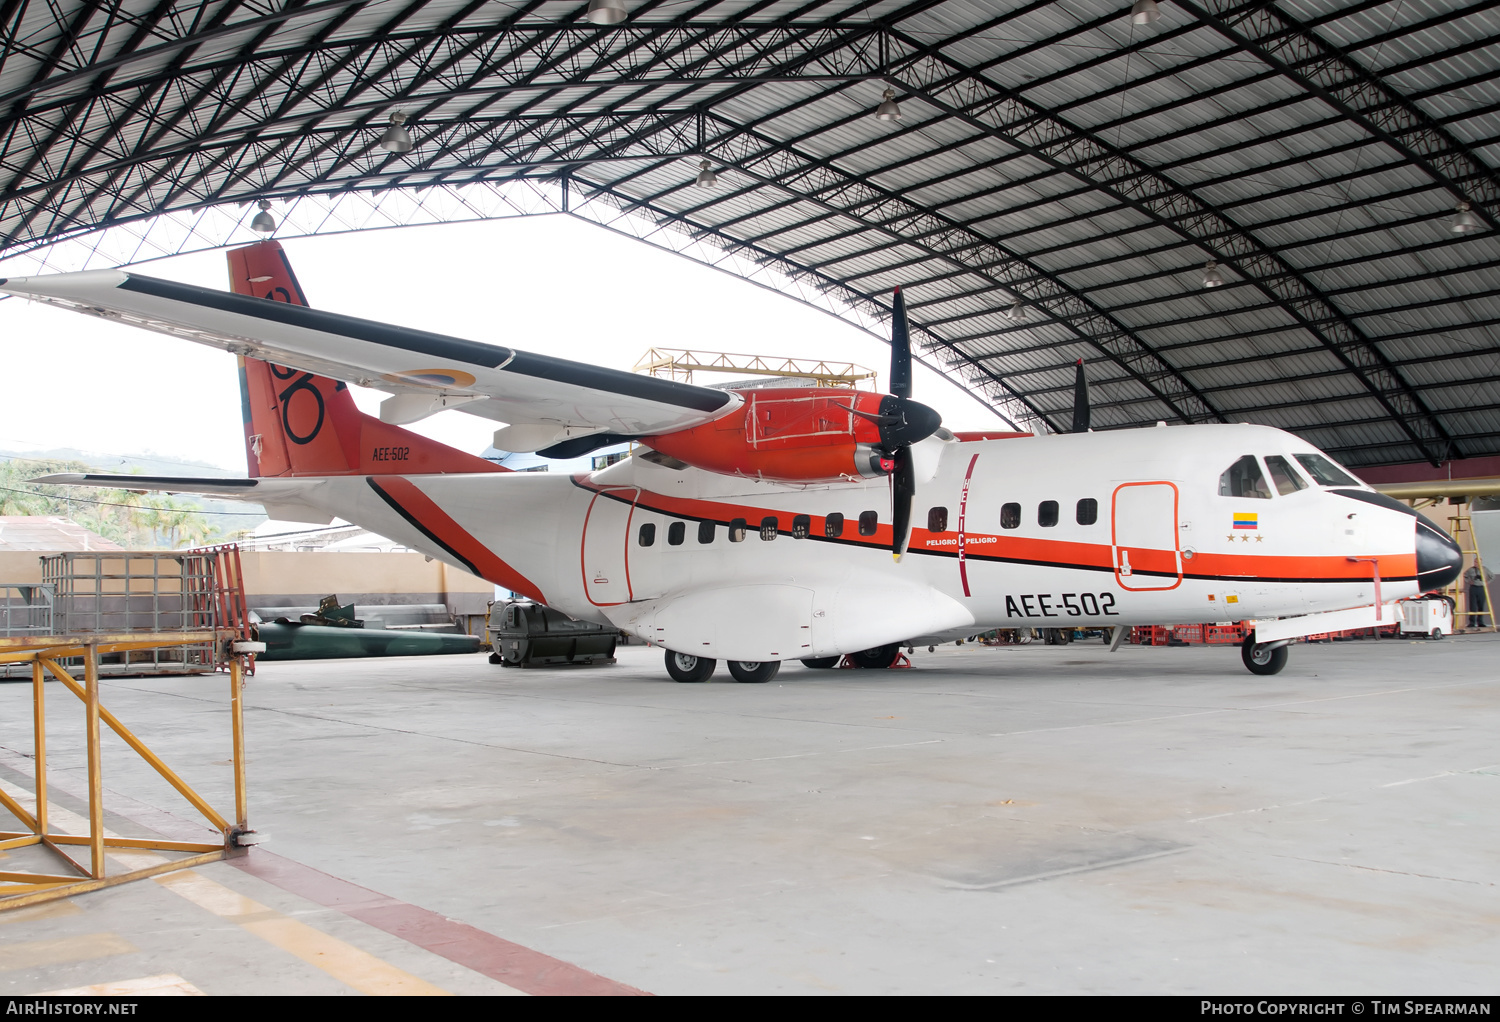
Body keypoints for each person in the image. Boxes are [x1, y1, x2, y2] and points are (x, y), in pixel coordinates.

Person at [1464, 563, 1496, 629]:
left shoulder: (1484, 569)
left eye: (1478, 562)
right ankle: (1472, 622)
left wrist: (1486, 582)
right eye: (1475, 562)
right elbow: (1465, 575)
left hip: (1481, 587)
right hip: (1473, 587)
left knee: (1481, 605)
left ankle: (1480, 622)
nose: (1477, 564)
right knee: (1472, 605)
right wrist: (1469, 581)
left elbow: (1492, 576)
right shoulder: (1471, 569)